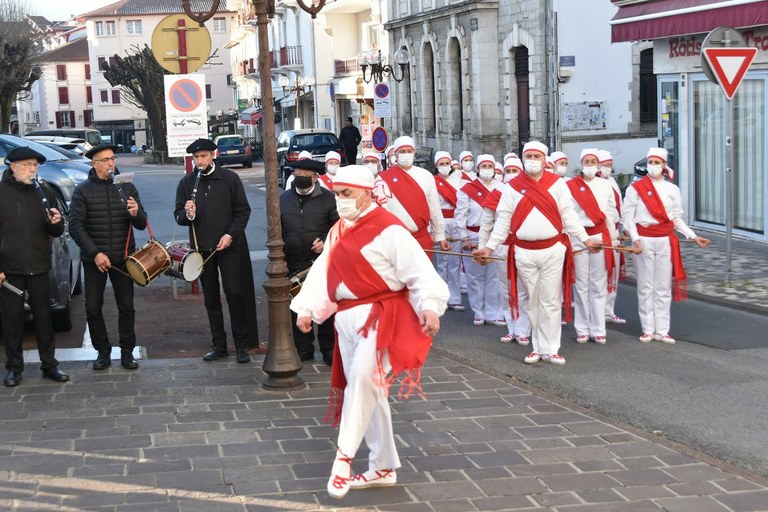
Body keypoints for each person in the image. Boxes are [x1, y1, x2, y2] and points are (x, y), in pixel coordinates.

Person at [290, 165, 449, 499]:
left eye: (346, 193)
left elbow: (420, 273)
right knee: (371, 391)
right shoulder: (338, 230)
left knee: (363, 379)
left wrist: (430, 306)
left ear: (366, 194)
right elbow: (324, 271)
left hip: (382, 316)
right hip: (346, 318)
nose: (340, 200)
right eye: (337, 194)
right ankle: (383, 466)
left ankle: (343, 456)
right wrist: (308, 309)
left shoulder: (390, 229)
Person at [474, 141, 601, 366]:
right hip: (524, 252)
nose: (532, 160)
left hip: (552, 250)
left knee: (550, 300)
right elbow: (503, 221)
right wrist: (489, 247)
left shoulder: (557, 183)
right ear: (523, 159)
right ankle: (537, 347)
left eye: (536, 156)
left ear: (544, 160)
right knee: (532, 301)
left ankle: (552, 349)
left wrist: (585, 239)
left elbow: (569, 216)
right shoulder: (512, 187)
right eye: (529, 156)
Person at [174, 138, 259, 363]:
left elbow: (243, 211)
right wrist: (189, 214)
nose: (199, 161)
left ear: (213, 155)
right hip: (202, 250)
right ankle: (218, 344)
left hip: (228, 247)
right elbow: (178, 216)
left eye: (203, 156)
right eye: (196, 158)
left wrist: (230, 234)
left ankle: (241, 345)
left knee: (235, 294)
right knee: (211, 298)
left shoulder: (229, 178)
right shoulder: (186, 183)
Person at [69, 144, 148, 371]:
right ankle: (102, 351)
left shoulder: (127, 187)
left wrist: (136, 213)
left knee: (127, 306)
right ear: (94, 164)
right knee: (93, 307)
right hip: (95, 260)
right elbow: (75, 226)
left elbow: (142, 224)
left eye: (112, 159)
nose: (111, 163)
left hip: (123, 258)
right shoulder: (83, 190)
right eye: (105, 160)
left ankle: (127, 352)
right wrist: (95, 253)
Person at [623, 147, 710, 344]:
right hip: (644, 238)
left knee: (662, 286)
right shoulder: (635, 189)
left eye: (656, 162)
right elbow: (628, 218)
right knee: (645, 286)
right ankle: (648, 329)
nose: (653, 166)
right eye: (650, 162)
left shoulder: (672, 189)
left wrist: (693, 236)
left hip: (665, 240)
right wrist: (635, 238)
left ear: (664, 165)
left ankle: (662, 330)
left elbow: (676, 219)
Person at [0, 147, 69, 386]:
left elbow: (56, 231)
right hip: (10, 268)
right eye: (28, 165)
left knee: (44, 319)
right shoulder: (1, 192)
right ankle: (14, 368)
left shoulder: (44, 191)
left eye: (35, 165)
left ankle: (49, 365)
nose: (33, 169)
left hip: (39, 265)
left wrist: (56, 222)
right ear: (13, 167)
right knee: (12, 320)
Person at [280, 158, 339, 365]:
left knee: (325, 306)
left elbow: (339, 227)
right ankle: (304, 348)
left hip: (320, 263)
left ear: (315, 177)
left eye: (306, 175)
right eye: (298, 174)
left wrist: (324, 241)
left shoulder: (329, 199)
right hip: (293, 261)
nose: (301, 178)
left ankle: (328, 348)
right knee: (297, 305)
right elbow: (276, 229)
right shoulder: (284, 199)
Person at [567, 149, 617, 345]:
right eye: (586, 161)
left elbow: (610, 214)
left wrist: (613, 239)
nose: (589, 165)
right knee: (581, 285)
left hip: (600, 236)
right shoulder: (570, 186)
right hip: (579, 237)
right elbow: (567, 215)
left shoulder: (605, 185)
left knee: (598, 284)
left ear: (598, 164)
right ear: (581, 164)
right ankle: (582, 328)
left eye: (592, 161)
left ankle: (598, 329)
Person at [480, 155, 531, 345]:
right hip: (502, 247)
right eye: (508, 171)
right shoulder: (496, 194)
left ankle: (524, 329)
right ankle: (512, 327)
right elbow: (487, 225)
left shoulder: (529, 193)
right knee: (506, 288)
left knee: (524, 289)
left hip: (524, 246)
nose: (511, 174)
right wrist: (483, 248)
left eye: (514, 171)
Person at [455, 154, 505, 326]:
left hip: (495, 237)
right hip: (473, 234)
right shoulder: (467, 189)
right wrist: (463, 238)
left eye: (490, 166)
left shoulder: (503, 187)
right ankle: (478, 311)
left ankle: (494, 311)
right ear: (478, 168)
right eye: (484, 166)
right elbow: (461, 214)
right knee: (475, 276)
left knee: (494, 276)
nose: (487, 169)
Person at [379, 136, 449, 252]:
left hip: (421, 238)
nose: (406, 154)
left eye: (409, 151)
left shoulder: (426, 176)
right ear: (396, 154)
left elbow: (434, 207)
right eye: (402, 151)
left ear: (414, 153)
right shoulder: (383, 178)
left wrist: (440, 235)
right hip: (395, 239)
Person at [432, 150, 466, 311]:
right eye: (441, 164)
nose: (444, 166)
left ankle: (455, 297)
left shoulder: (459, 180)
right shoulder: (433, 182)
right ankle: (441, 297)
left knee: (455, 262)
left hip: (456, 222)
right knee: (442, 262)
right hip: (440, 222)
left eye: (447, 163)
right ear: (436, 165)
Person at [598, 149, 628, 325]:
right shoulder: (595, 184)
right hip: (601, 233)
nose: (607, 168)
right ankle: (598, 311)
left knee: (613, 273)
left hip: (615, 232)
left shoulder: (612, 182)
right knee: (601, 274)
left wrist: (623, 227)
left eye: (610, 165)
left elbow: (619, 206)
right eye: (604, 165)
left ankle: (609, 309)